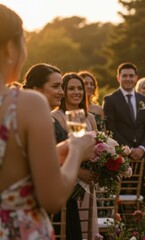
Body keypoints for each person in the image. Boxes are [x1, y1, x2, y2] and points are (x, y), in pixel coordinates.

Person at [0, 4, 94, 239]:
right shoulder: (26, 104)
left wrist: (57, 152)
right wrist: (76, 150)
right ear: (11, 47)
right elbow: (52, 198)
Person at [23, 63, 85, 239]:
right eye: (56, 86)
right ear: (37, 89)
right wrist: (78, 152)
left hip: (66, 197)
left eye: (61, 87)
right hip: (49, 201)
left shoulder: (50, 119)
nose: (62, 92)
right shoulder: (34, 121)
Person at [51, 72, 99, 238]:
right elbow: (56, 156)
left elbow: (98, 149)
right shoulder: (55, 117)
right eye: (71, 88)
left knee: (88, 226)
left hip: (88, 184)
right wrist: (81, 172)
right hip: (70, 182)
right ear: (63, 91)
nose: (76, 92)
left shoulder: (90, 118)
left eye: (80, 88)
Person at [103, 62, 145, 182]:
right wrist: (129, 150)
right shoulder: (110, 100)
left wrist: (142, 148)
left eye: (131, 76)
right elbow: (111, 128)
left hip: (142, 156)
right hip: (120, 156)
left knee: (143, 194)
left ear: (136, 78)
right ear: (118, 78)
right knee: (121, 196)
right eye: (124, 76)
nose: (128, 79)